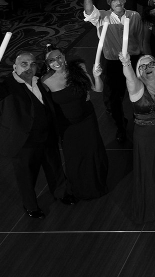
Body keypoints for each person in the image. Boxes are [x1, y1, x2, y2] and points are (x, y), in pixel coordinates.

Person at [0, 51, 75, 218]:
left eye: (32, 64)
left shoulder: (39, 81)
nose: (29, 67)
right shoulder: (6, 86)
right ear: (14, 67)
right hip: (24, 141)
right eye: (24, 64)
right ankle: (31, 206)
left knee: (54, 167)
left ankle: (61, 192)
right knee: (26, 176)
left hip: (47, 135)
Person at [41, 45, 107, 200]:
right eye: (51, 60)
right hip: (67, 126)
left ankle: (98, 185)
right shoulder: (46, 81)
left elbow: (97, 89)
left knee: (92, 152)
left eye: (58, 57)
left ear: (64, 56)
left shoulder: (78, 67)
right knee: (74, 157)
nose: (56, 62)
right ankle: (80, 189)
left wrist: (97, 76)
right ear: (47, 64)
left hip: (87, 118)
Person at [81, 0, 145, 144]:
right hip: (113, 64)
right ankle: (121, 127)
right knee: (114, 98)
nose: (118, 2)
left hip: (133, 61)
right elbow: (89, 11)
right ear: (109, 2)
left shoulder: (135, 15)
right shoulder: (102, 17)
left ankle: (142, 121)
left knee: (139, 93)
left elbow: (140, 39)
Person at [120, 53, 155, 226]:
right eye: (142, 67)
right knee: (153, 172)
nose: (147, 68)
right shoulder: (136, 87)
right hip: (147, 137)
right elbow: (129, 77)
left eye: (151, 64)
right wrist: (127, 64)